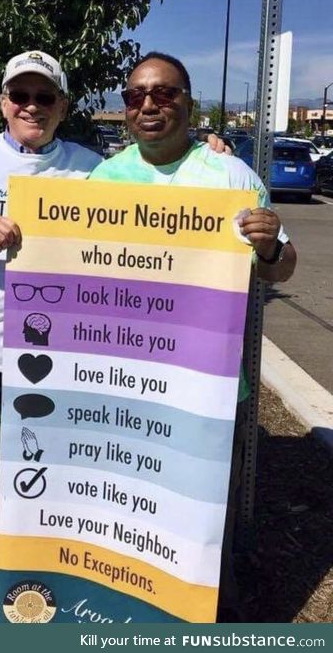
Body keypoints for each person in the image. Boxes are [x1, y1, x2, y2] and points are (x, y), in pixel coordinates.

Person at [0, 50, 229, 623]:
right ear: (3, 102)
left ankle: (56, 605)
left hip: (64, 360)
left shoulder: (91, 168)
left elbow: (156, 206)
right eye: (20, 95)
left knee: (67, 491)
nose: (31, 107)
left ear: (62, 106)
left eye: (45, 97)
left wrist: (206, 149)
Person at [88, 51, 297, 621]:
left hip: (208, 395)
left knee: (203, 534)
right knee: (126, 521)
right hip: (122, 387)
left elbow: (281, 269)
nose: (149, 105)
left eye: (165, 93)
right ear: (126, 108)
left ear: (188, 101)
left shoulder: (231, 177)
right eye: (136, 96)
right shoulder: (104, 180)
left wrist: (272, 246)